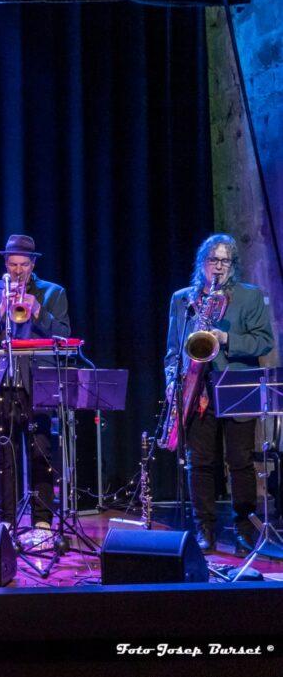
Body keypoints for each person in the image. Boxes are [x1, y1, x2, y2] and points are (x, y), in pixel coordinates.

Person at [164, 234, 274, 553]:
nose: (219, 267)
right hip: (197, 388)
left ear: (233, 265)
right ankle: (205, 529)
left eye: (225, 261)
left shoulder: (249, 296)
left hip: (237, 385)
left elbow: (264, 341)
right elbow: (172, 348)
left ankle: (244, 530)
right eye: (213, 260)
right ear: (203, 263)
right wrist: (171, 379)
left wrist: (227, 339)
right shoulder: (183, 299)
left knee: (240, 461)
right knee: (199, 461)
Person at [0, 235, 70, 548]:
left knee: (41, 453)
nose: (17, 271)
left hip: (39, 383)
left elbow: (65, 335)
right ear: (6, 263)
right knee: (4, 455)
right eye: (13, 265)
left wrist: (38, 310)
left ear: (33, 264)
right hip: (2, 382)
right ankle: (7, 522)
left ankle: (42, 522)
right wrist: (2, 308)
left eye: (23, 265)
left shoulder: (53, 292)